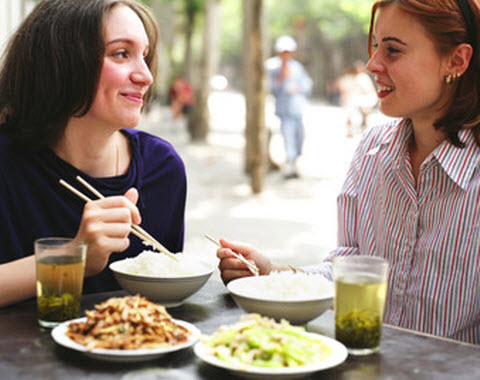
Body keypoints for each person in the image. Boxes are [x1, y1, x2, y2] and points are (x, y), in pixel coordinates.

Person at [217, 0, 480, 344]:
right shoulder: (373, 151)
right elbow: (350, 268)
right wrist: (272, 273)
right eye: (375, 47)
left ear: (456, 60)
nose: (373, 64)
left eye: (393, 50)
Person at [0, 0, 187, 307]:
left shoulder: (162, 169)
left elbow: (162, 305)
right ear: (62, 61)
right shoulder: (6, 163)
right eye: (121, 54)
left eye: (145, 56)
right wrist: (73, 258)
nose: (146, 76)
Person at [266, 35, 313, 179]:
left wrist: (298, 88)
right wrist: (280, 77)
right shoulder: (272, 67)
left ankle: (295, 161)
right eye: (283, 52)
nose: (286, 55)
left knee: (299, 136)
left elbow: (307, 84)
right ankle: (290, 165)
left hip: (297, 109)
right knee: (288, 136)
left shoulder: (297, 67)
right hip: (284, 110)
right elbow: (270, 88)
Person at [336, 60, 378, 137]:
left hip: (364, 99)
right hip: (351, 100)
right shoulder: (349, 78)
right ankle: (351, 129)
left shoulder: (362, 78)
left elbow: (369, 90)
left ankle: (361, 124)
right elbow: (343, 88)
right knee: (350, 112)